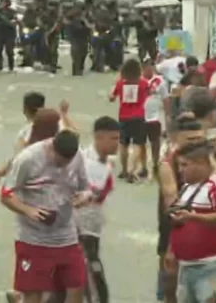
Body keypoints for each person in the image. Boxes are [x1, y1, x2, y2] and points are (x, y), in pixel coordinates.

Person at [0, 130, 93, 303]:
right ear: (52, 148)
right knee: (33, 294)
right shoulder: (27, 159)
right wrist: (28, 210)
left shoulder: (77, 155)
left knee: (76, 288)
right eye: (60, 161)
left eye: (68, 162)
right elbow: (5, 195)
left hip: (67, 237)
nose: (63, 166)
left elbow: (86, 188)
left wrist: (84, 197)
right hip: (33, 239)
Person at [169, 139, 216, 303]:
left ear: (201, 163)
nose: (180, 170)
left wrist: (193, 217)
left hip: (211, 266)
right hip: (186, 265)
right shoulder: (186, 187)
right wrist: (171, 250)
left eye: (184, 165)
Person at [156, 116, 206, 303]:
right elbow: (171, 199)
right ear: (177, 139)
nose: (195, 144)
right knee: (170, 274)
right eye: (190, 140)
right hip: (175, 222)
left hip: (203, 221)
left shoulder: (208, 159)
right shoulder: (168, 164)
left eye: (198, 139)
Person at [75, 117, 120, 303]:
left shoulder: (107, 166)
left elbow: (101, 194)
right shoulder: (82, 161)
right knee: (93, 279)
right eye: (114, 139)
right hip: (77, 228)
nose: (118, 143)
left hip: (93, 228)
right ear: (99, 137)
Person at [110, 59, 149, 182]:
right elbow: (150, 95)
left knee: (123, 144)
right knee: (138, 143)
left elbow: (111, 97)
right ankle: (134, 169)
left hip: (123, 116)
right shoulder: (143, 83)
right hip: (139, 116)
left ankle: (124, 170)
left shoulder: (120, 83)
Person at [141, 58, 170, 178]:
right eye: (146, 66)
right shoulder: (138, 80)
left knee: (155, 141)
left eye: (151, 65)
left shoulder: (159, 81)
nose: (149, 68)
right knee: (141, 142)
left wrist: (167, 116)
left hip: (155, 116)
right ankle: (143, 166)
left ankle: (155, 162)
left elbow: (166, 98)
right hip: (140, 115)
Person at [0, 0, 18, 73]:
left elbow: (13, 22)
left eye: (4, 2)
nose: (3, 3)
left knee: (9, 51)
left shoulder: (12, 12)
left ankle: (11, 67)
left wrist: (7, 21)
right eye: (2, 2)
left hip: (9, 34)